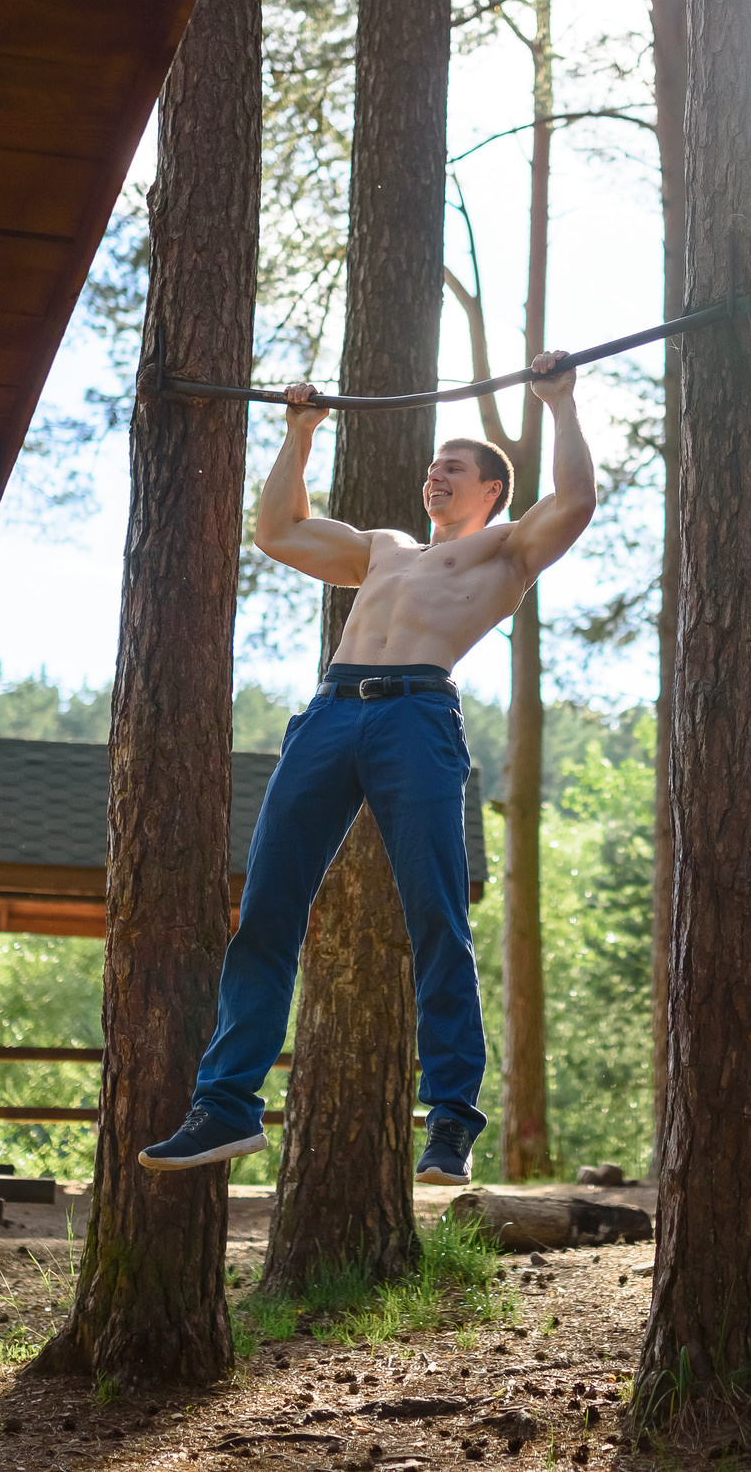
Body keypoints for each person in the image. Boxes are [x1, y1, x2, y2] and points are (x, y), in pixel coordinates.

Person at [140, 350, 593, 1188]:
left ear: (491, 487)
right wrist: (300, 433)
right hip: (329, 714)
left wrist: (559, 403)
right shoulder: (383, 548)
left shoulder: (505, 551)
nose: (435, 476)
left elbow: (574, 501)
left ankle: (451, 1117)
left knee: (435, 915)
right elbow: (277, 531)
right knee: (267, 909)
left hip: (417, 714)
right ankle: (229, 1102)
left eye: (452, 467)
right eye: (430, 468)